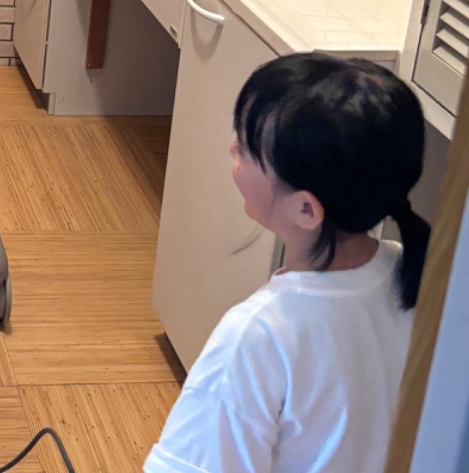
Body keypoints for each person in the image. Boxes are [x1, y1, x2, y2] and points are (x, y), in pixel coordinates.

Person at [144, 52, 431, 473]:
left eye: (248, 149)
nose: (233, 147)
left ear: (306, 210)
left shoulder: (258, 335)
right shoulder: (418, 277)